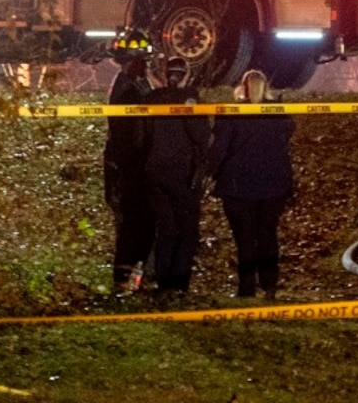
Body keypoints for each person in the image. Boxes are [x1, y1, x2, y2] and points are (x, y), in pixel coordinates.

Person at [208, 68, 296, 297]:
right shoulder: (278, 115)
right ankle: (269, 284)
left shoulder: (232, 114)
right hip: (273, 186)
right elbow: (286, 139)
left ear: (242, 87)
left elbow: (219, 150)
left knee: (245, 239)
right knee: (268, 235)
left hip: (239, 187)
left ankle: (246, 288)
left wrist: (210, 174)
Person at [142, 54, 215, 295]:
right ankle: (179, 284)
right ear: (187, 75)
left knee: (166, 229)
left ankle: (164, 283)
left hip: (155, 173)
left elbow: (141, 137)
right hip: (184, 174)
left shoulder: (152, 99)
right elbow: (202, 137)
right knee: (187, 229)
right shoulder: (189, 100)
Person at [100, 54, 160, 294]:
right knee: (131, 229)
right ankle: (127, 279)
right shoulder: (128, 91)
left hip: (135, 172)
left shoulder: (132, 87)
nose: (145, 69)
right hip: (129, 173)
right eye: (142, 64)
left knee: (138, 228)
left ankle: (134, 278)